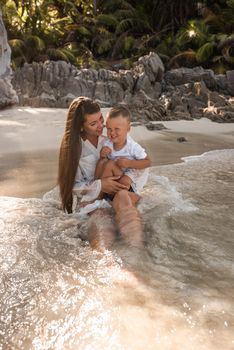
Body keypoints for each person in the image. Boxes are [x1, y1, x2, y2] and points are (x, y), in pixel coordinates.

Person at [58, 97, 149, 250]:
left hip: (121, 190)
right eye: (93, 123)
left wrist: (128, 178)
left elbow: (141, 164)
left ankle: (137, 255)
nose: (101, 125)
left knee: (123, 199)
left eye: (101, 118)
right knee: (101, 217)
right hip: (94, 198)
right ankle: (105, 261)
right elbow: (73, 186)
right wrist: (100, 185)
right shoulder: (73, 149)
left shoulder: (113, 133)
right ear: (81, 127)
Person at [94, 106, 150, 204]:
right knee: (107, 164)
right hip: (118, 175)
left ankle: (133, 197)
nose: (112, 133)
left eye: (117, 129)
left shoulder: (132, 146)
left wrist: (129, 163)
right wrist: (102, 156)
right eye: (109, 129)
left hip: (130, 180)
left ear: (128, 129)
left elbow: (147, 162)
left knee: (124, 179)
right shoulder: (108, 144)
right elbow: (103, 167)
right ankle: (100, 197)